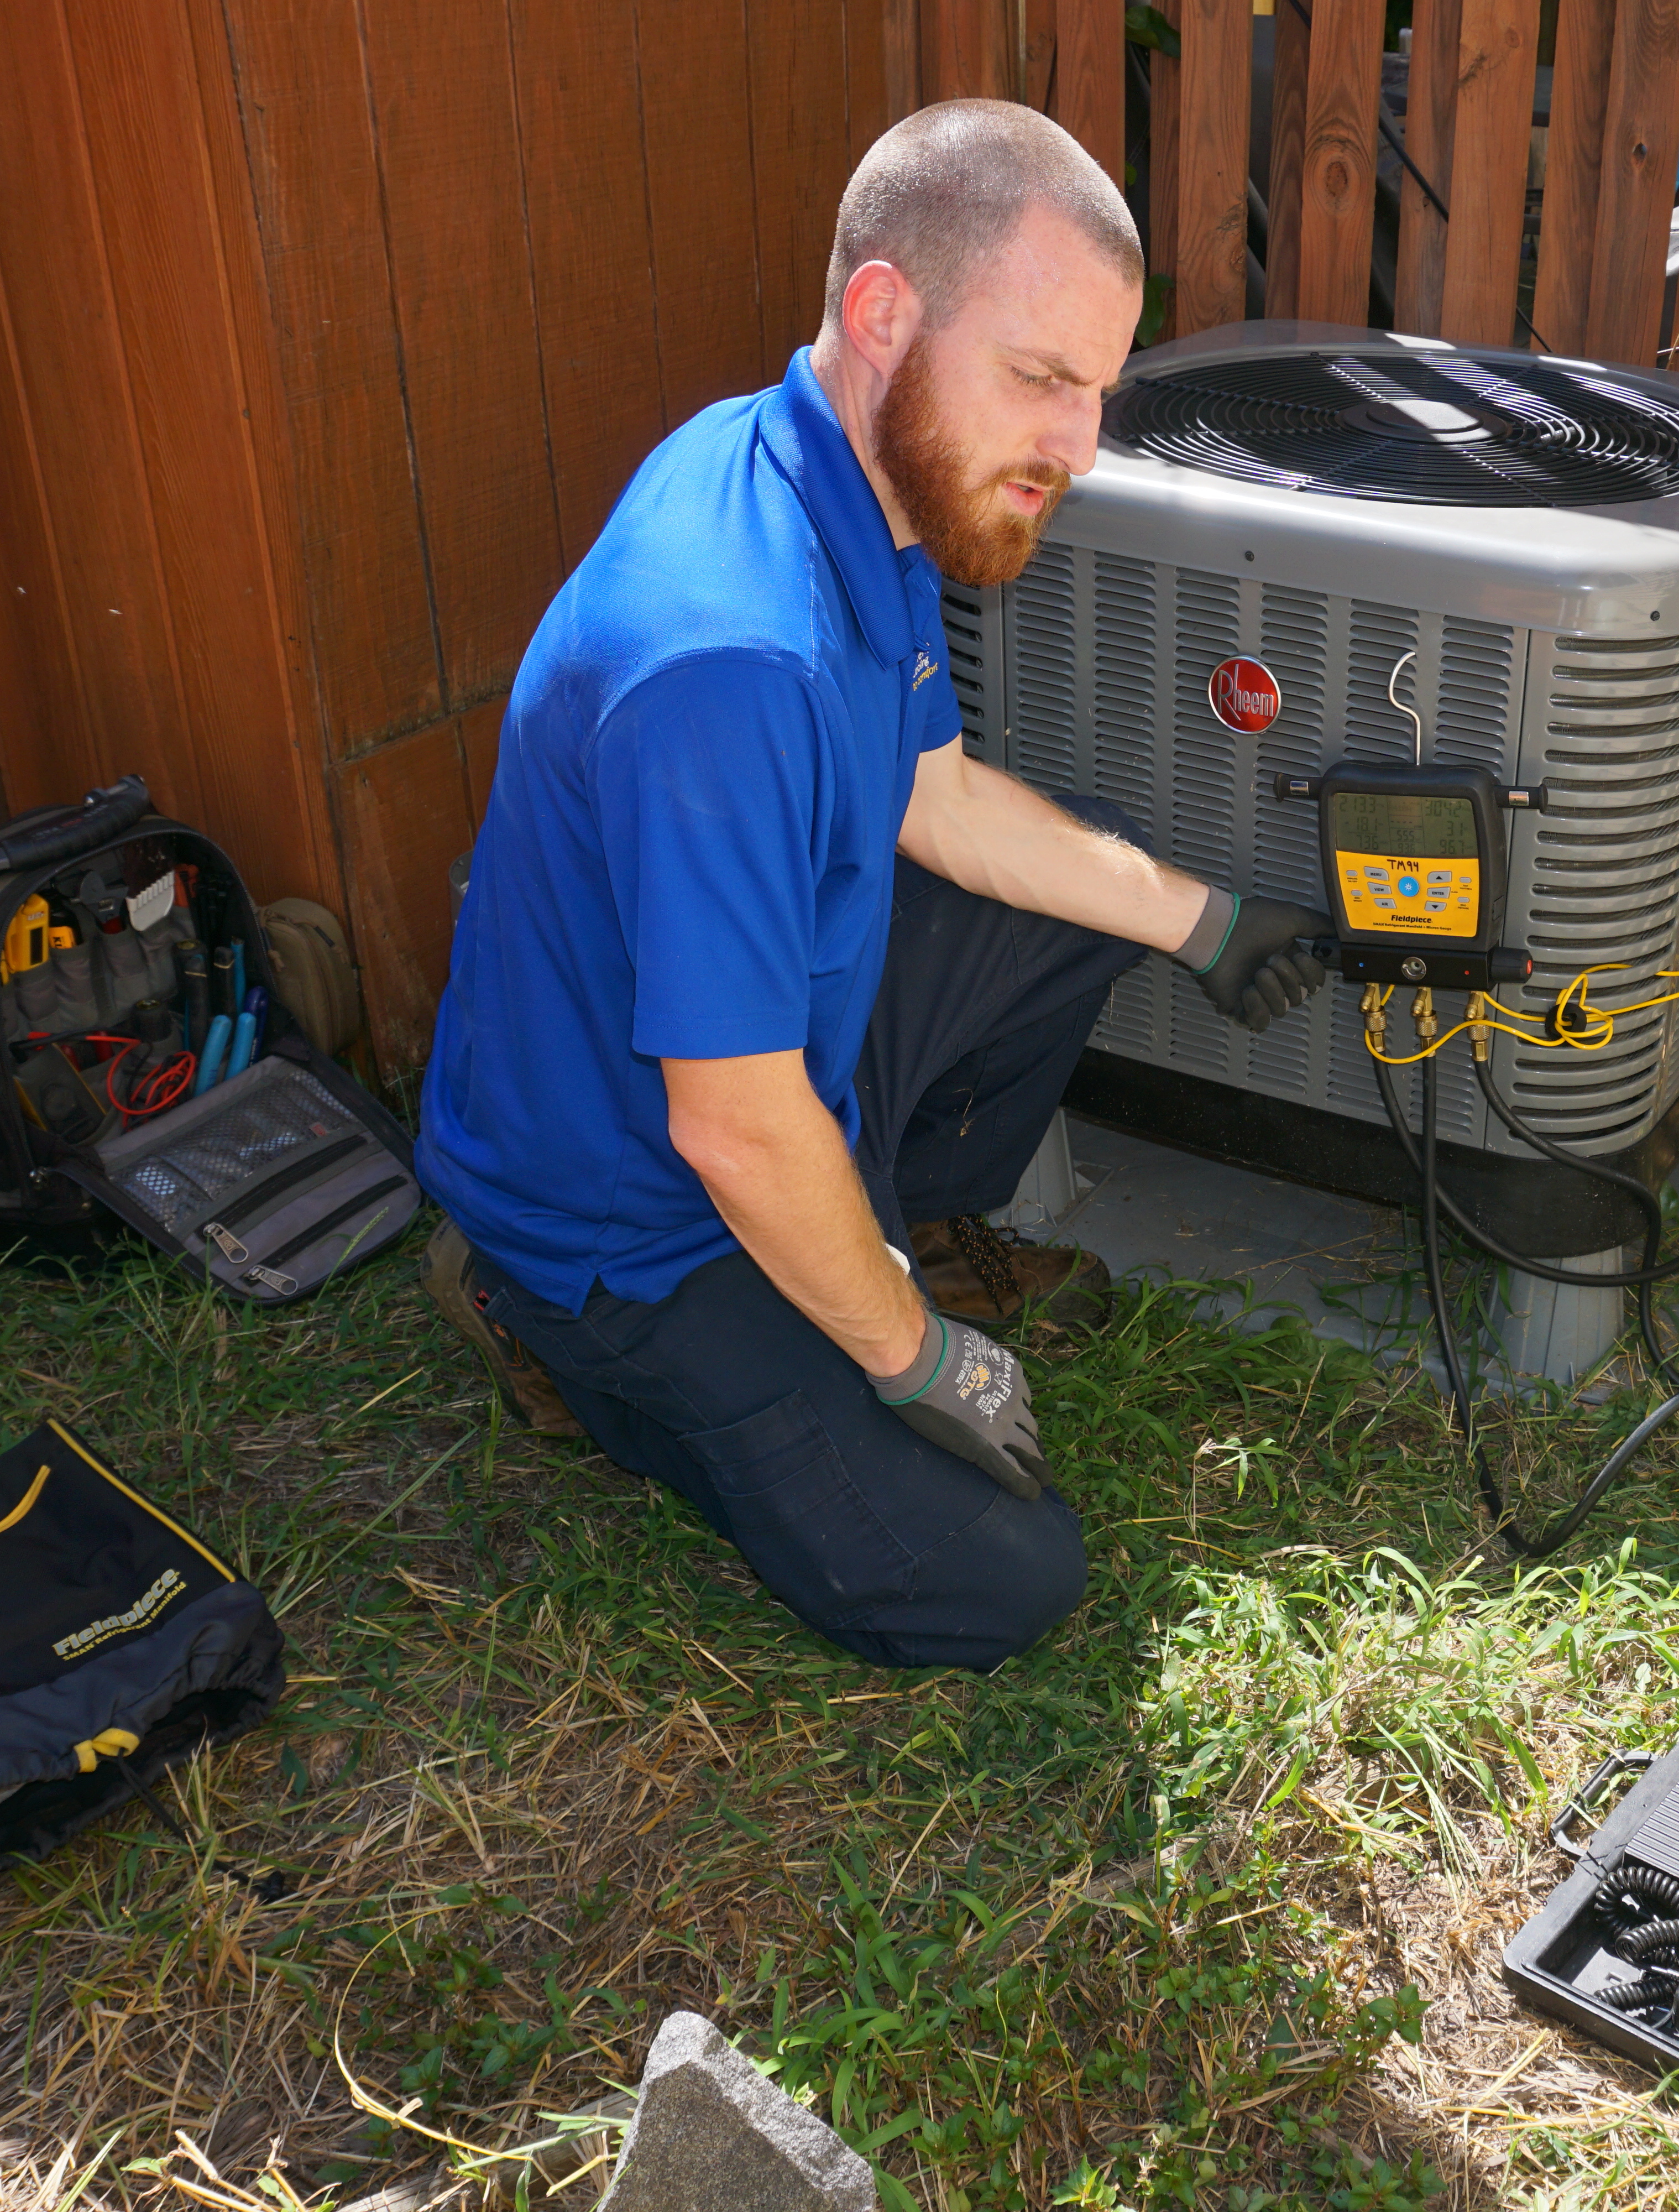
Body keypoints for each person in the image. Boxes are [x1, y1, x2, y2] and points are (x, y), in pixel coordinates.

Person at [414, 101, 1331, 1673]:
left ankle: (895, 1227)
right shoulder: (726, 652)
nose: (1075, 448)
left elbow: (940, 801)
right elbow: (730, 1122)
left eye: (1097, 395)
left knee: (1086, 865)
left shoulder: (856, 477)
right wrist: (915, 1365)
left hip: (755, 1081)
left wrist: (1210, 921)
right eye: (1042, 380)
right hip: (640, 1218)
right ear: (883, 313)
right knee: (1004, 1578)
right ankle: (556, 1339)